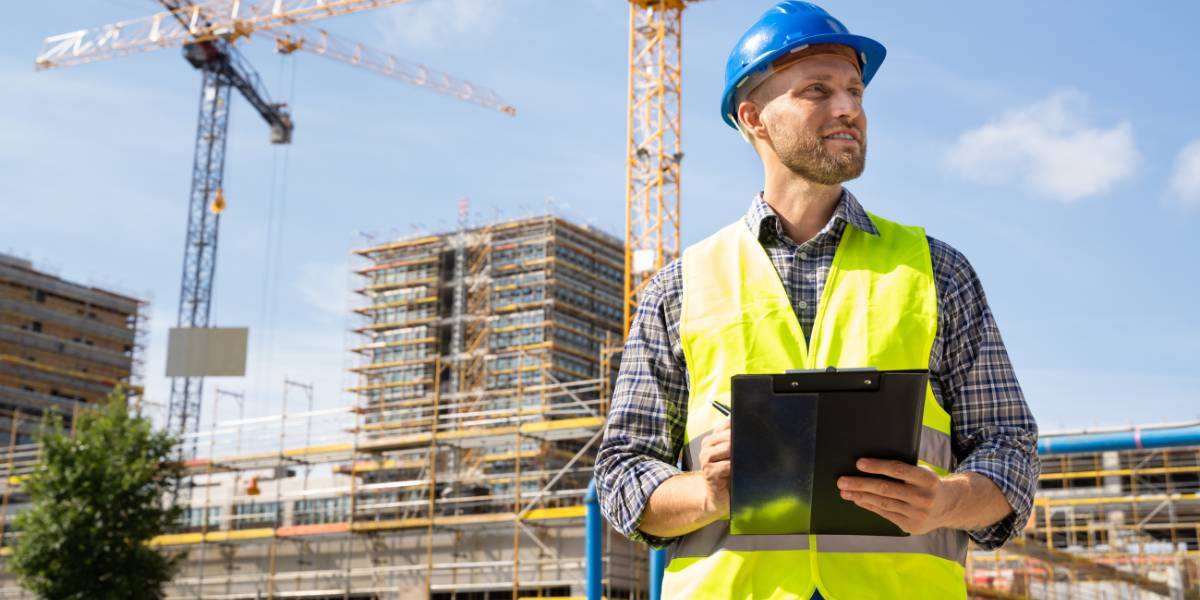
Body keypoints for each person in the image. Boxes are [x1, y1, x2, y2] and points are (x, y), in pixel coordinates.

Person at [594, 2, 1040, 599]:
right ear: (754, 117)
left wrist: (945, 501)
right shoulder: (679, 287)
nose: (849, 108)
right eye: (817, 90)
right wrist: (706, 493)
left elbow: (1010, 447)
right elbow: (623, 473)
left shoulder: (937, 271)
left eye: (856, 91)